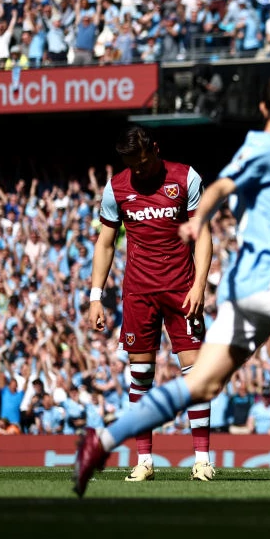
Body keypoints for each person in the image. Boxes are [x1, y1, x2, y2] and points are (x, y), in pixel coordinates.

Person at [73, 73, 270, 497]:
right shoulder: (267, 147)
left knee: (200, 384)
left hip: (243, 289)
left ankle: (101, 442)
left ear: (266, 108)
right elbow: (220, 185)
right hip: (269, 281)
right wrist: (200, 217)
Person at [88, 125, 216, 482]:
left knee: (195, 375)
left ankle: (202, 460)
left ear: (155, 150)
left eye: (142, 162)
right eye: (132, 165)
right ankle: (144, 461)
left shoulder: (185, 178)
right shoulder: (117, 187)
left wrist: (200, 286)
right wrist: (95, 297)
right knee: (140, 376)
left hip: (181, 290)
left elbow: (203, 234)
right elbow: (105, 243)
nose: (139, 171)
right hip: (139, 293)